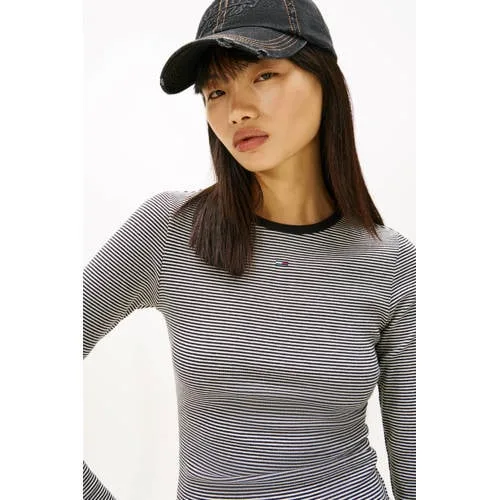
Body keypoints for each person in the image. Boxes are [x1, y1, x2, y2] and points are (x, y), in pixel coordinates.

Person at [83, 0, 416, 499]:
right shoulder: (171, 229)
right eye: (216, 91)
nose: (237, 109)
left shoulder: (391, 261)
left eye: (263, 76)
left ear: (325, 80)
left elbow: (418, 454)